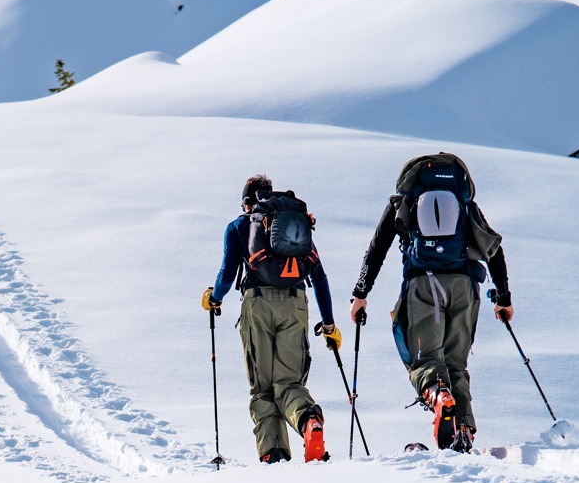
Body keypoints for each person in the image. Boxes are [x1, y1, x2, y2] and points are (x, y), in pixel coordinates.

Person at [347, 153, 512, 452]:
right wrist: (503, 299)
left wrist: (361, 293)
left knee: (425, 360)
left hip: (423, 285)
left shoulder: (403, 203)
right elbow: (493, 248)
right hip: (464, 286)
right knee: (456, 363)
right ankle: (463, 431)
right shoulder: (465, 206)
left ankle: (439, 396)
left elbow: (377, 249)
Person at [202, 175, 340, 463]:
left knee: (263, 389)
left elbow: (227, 275)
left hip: (258, 306)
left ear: (246, 203)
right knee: (289, 383)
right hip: (295, 304)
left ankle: (273, 454)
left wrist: (214, 298)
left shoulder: (240, 226)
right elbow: (319, 276)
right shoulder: (293, 224)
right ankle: (308, 421)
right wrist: (329, 325)